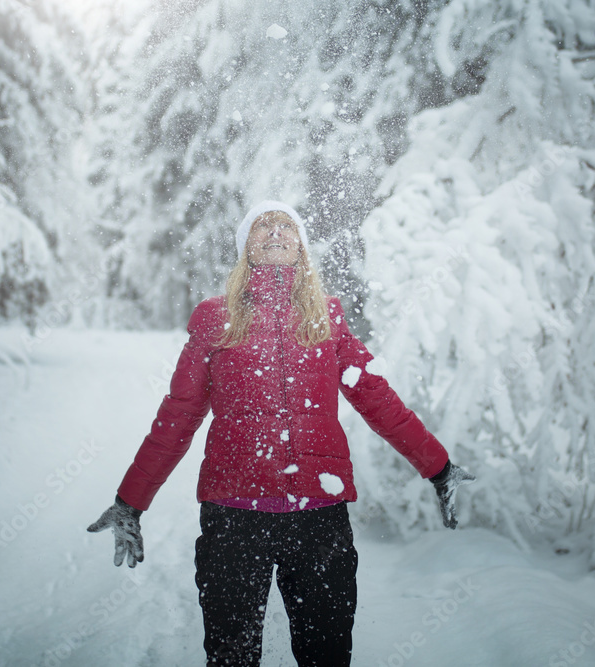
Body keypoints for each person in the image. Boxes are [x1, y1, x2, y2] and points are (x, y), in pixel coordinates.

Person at [87, 200, 475, 666]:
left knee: (326, 656)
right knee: (231, 658)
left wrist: (439, 467)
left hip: (319, 518)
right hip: (233, 519)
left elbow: (376, 397)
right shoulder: (216, 319)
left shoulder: (326, 320)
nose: (274, 233)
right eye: (262, 227)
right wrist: (131, 501)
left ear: (301, 247)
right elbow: (178, 416)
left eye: (286, 227)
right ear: (245, 247)